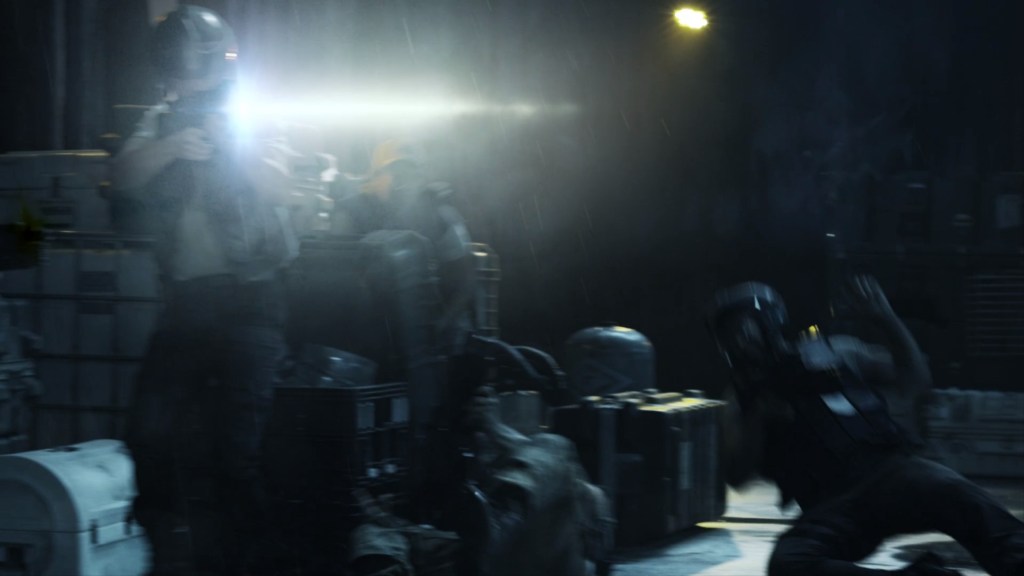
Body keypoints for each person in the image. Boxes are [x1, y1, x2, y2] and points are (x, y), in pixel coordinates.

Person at [110, 5, 298, 575]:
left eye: (194, 77)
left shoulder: (250, 115)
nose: (185, 88)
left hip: (251, 302)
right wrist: (173, 145)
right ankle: (167, 554)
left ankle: (255, 564)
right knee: (147, 436)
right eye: (178, 79)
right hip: (187, 303)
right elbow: (120, 177)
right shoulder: (162, 119)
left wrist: (232, 146)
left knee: (235, 454)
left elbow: (283, 189)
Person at [707, 277, 1024, 576]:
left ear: (768, 321)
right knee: (788, 563)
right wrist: (758, 417)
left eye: (743, 327)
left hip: (891, 472)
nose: (739, 340)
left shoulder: (834, 351)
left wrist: (886, 319)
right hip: (832, 506)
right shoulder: (739, 399)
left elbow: (914, 380)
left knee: (966, 500)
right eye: (729, 334)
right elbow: (737, 475)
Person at [331, 139, 476, 355]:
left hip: (431, 331)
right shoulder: (352, 212)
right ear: (375, 175)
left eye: (410, 173)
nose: (401, 182)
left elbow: (465, 281)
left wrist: (442, 325)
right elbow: (336, 280)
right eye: (394, 172)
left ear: (421, 176)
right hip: (372, 330)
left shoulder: (440, 215)